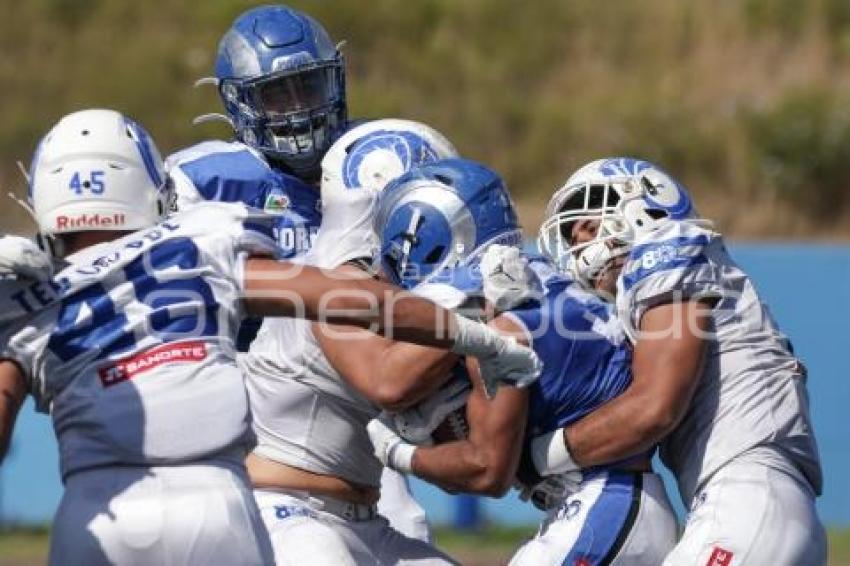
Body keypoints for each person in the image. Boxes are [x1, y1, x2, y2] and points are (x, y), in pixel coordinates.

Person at [0, 109, 541, 566]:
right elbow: (355, 303)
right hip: (222, 499)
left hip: (96, 505)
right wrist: (476, 331)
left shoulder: (27, 299)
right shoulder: (201, 242)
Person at [165, 4, 438, 539]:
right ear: (239, 103)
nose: (297, 108)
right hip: (247, 389)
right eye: (276, 94)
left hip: (357, 386)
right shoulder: (208, 179)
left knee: (405, 522)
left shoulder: (375, 157)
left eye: (308, 86)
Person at [366, 158, 677, 565]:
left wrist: (397, 453)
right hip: (615, 503)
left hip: (605, 501)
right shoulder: (539, 276)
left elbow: (486, 470)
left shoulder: (501, 327)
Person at [530, 157, 826, 564]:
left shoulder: (667, 246)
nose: (577, 237)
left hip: (747, 499)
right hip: (750, 506)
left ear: (645, 204)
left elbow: (653, 408)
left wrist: (539, 456)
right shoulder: (662, 285)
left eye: (588, 221)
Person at [241, 118, 462, 564]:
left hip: (361, 518)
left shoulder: (393, 284)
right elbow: (387, 381)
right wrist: (476, 311)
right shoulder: (336, 270)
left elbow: (464, 466)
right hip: (284, 508)